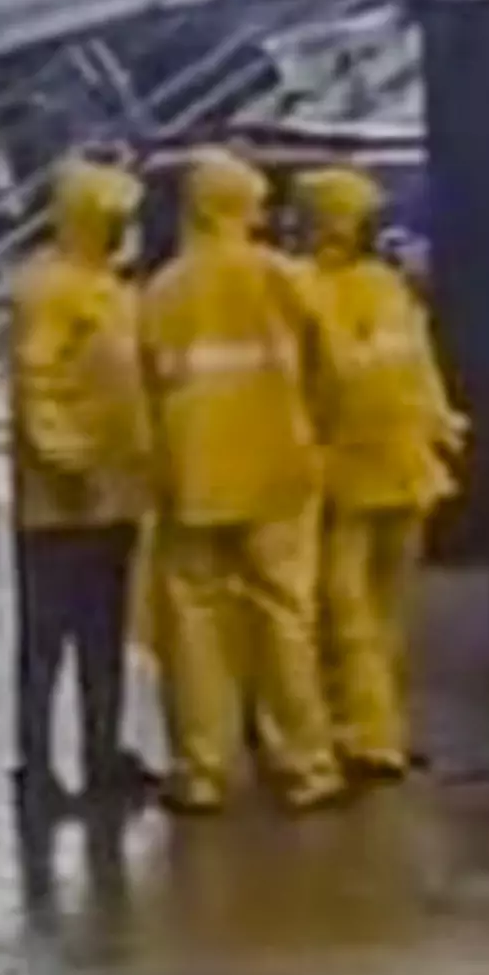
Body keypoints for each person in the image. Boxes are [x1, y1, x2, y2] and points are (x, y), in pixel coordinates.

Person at [138, 149, 345, 814]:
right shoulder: (285, 277)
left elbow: (140, 386)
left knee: (194, 622)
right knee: (286, 614)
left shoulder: (165, 289)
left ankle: (202, 769)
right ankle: (306, 764)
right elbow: (333, 370)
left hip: (193, 472)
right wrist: (315, 434)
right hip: (279, 467)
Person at [293, 161, 464, 784]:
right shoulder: (385, 289)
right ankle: (372, 730)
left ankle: (369, 730)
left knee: (356, 612)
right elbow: (416, 366)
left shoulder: (307, 288)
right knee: (371, 612)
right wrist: (440, 424)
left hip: (354, 472)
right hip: (397, 465)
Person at [8, 157, 158, 813]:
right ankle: (35, 767)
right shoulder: (49, 290)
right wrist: (65, 462)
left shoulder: (112, 290)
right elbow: (34, 382)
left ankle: (102, 753)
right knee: (48, 642)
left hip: (114, 492)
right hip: (61, 501)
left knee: (103, 638)